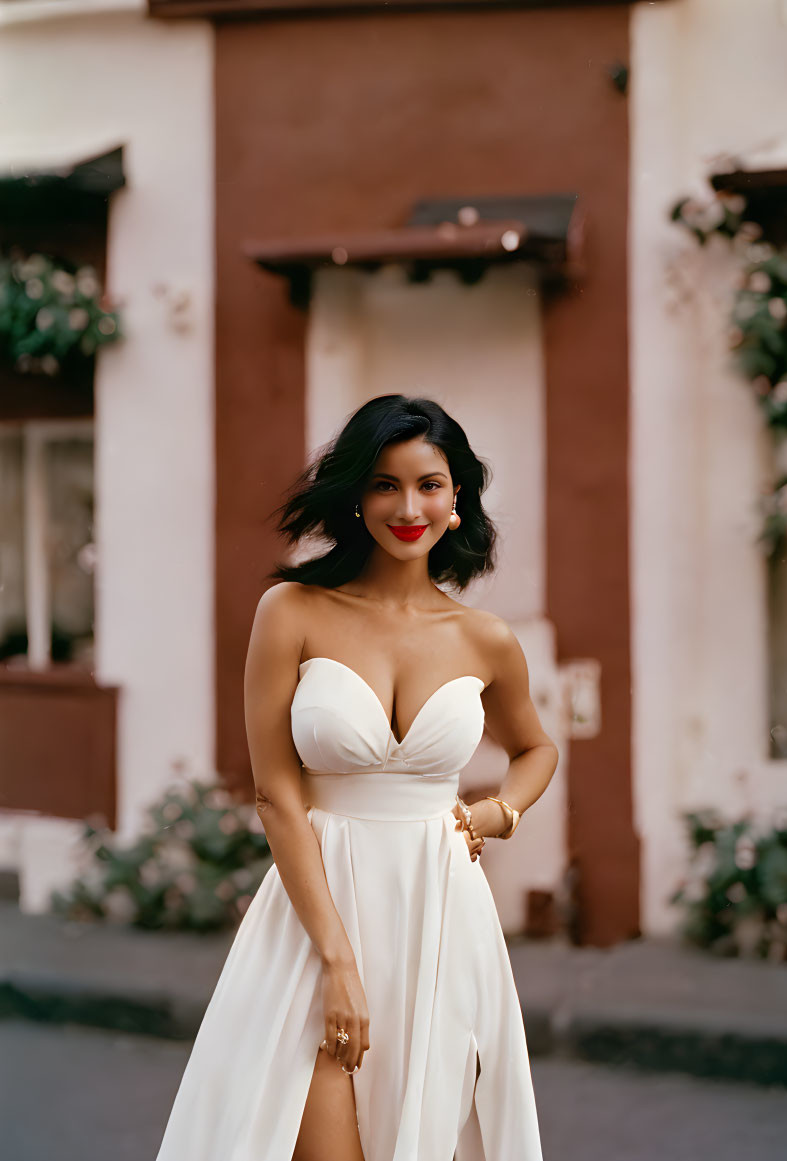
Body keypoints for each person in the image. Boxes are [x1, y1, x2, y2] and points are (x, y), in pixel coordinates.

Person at [154, 394, 558, 1161]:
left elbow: (536, 748)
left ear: (457, 496)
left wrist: (497, 812)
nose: (408, 506)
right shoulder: (292, 611)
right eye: (383, 484)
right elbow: (277, 793)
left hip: (440, 915)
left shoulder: (485, 639)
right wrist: (337, 960)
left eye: (429, 484)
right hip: (315, 920)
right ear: (355, 496)